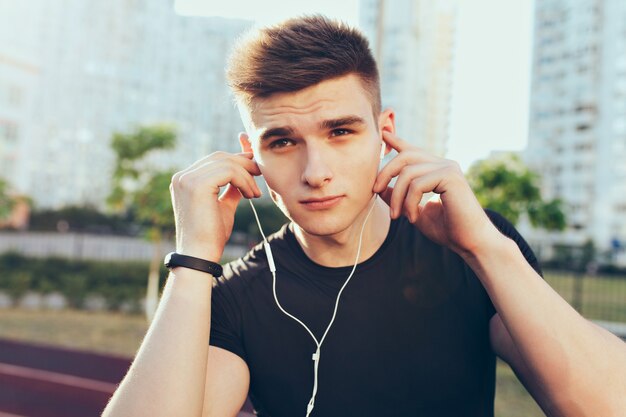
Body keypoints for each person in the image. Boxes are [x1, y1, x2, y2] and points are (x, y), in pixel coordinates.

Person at [102, 15, 626, 417]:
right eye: (282, 141)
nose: (316, 171)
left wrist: (485, 249)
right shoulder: (237, 299)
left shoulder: (473, 250)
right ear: (250, 156)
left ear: (385, 131)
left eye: (340, 131)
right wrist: (192, 260)